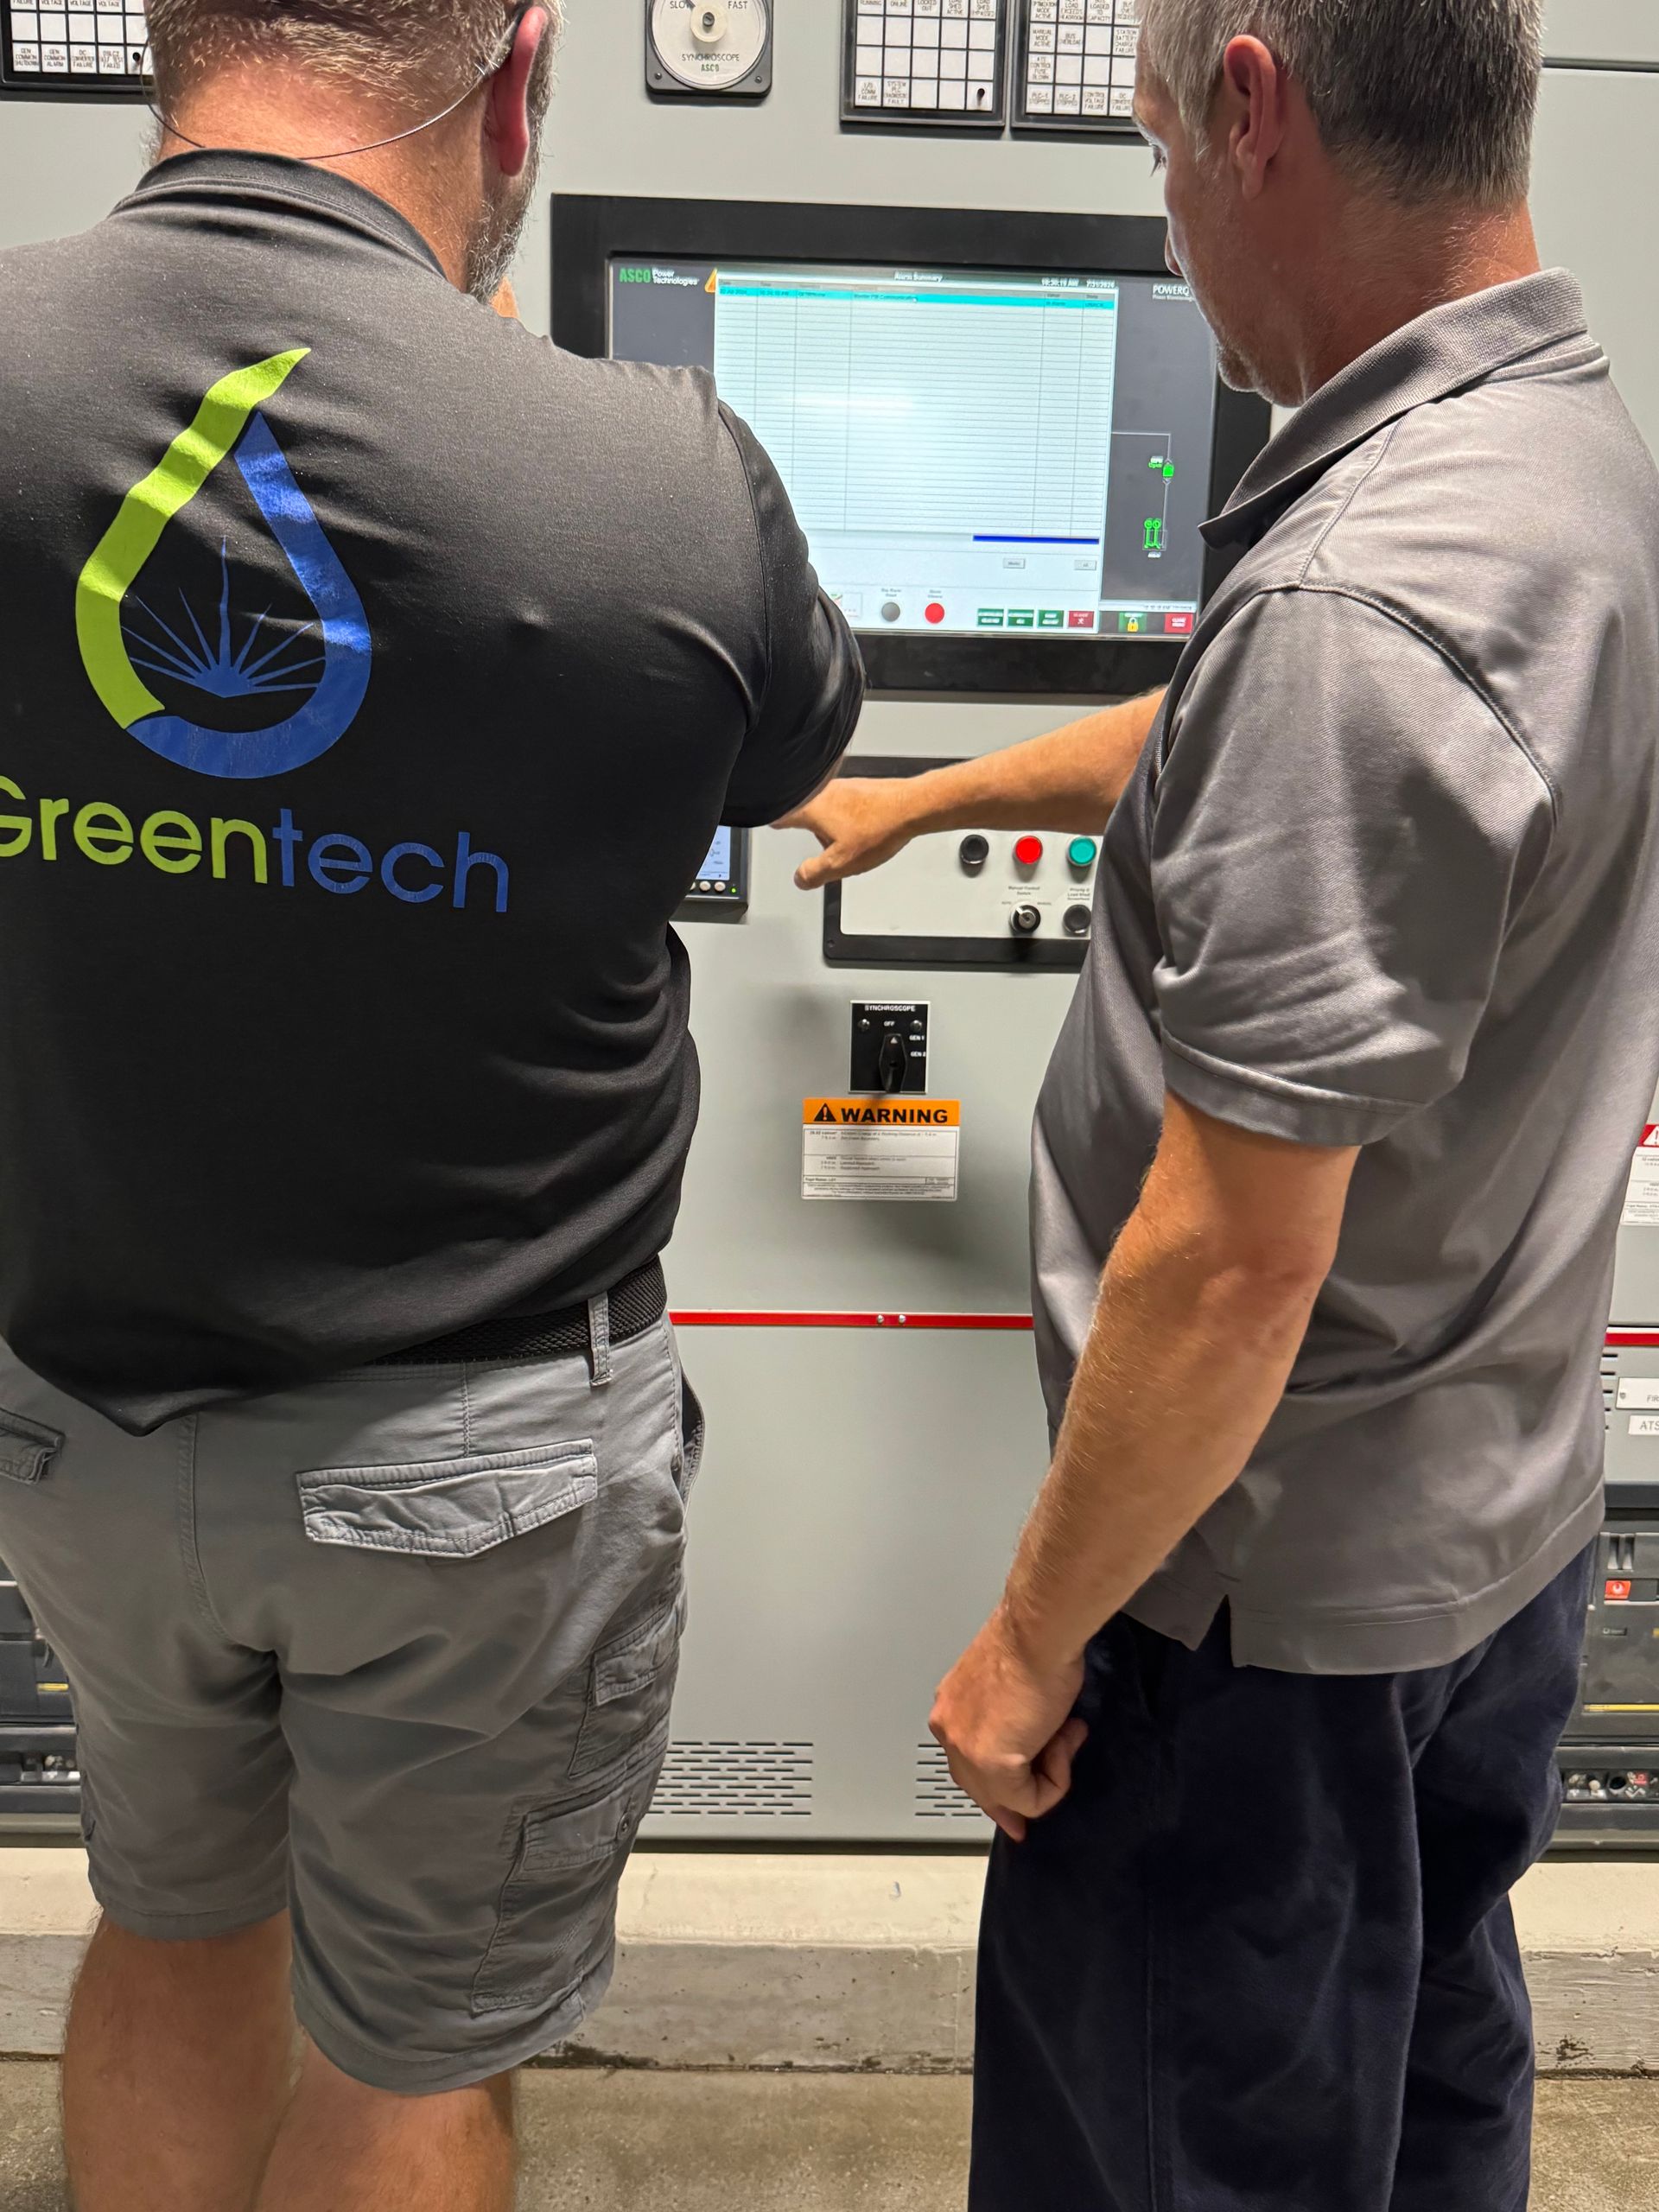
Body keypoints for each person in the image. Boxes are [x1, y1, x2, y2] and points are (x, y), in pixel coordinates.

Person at [788, 2, 1659, 2204]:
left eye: (1163, 145)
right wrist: (937, 796)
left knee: (1182, 2138)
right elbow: (1240, 727)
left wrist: (1023, 1645)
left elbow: (1233, 1258)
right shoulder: (1552, 453)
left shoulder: (1368, 597)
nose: (1168, 215)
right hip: (1483, 1546)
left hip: (1253, 1624)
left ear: (1256, 108)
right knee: (1425, 2060)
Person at [0, 3, 861, 2206]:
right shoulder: (655, 469)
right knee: (412, 2054)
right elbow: (771, 754)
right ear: (517, 76)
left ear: (160, 49)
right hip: (479, 1471)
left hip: (76, 1426)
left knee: (175, 1928)